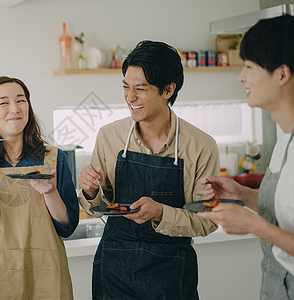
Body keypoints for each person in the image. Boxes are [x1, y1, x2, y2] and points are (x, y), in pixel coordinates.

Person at [198, 15, 294, 298]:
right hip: (277, 285)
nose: (241, 76)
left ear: (282, 74)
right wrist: (244, 196)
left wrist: (254, 225)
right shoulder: (290, 134)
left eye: (249, 66)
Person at [77, 40, 220, 299]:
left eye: (140, 89)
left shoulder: (201, 146)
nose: (130, 97)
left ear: (168, 90)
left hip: (171, 272)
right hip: (114, 269)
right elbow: (98, 206)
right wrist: (89, 192)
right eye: (125, 87)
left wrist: (161, 213)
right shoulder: (109, 137)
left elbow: (207, 221)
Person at [0, 76, 79, 299]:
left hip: (47, 270)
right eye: (4, 102)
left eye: (21, 100)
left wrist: (50, 192)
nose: (14, 108)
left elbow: (67, 226)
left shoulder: (54, 158)